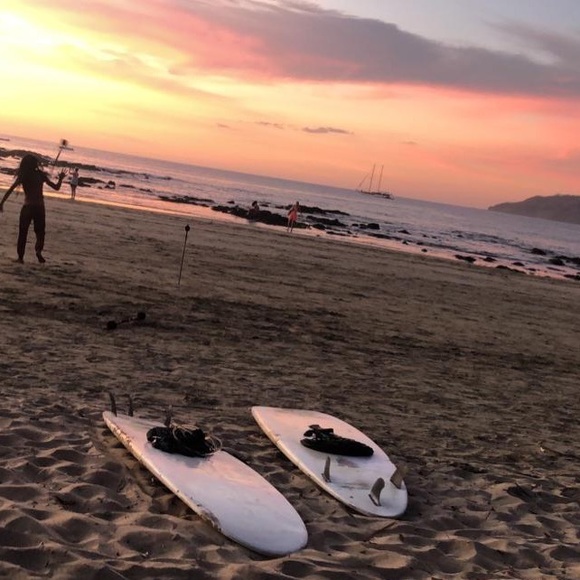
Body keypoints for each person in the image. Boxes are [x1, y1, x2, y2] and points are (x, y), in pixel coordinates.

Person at [0, 154, 67, 263]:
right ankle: (38, 251)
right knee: (40, 232)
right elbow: (56, 188)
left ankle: (20, 258)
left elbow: (10, 189)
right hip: (40, 207)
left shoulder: (23, 175)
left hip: (28, 207)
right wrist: (60, 179)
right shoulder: (40, 175)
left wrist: (2, 202)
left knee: (23, 233)